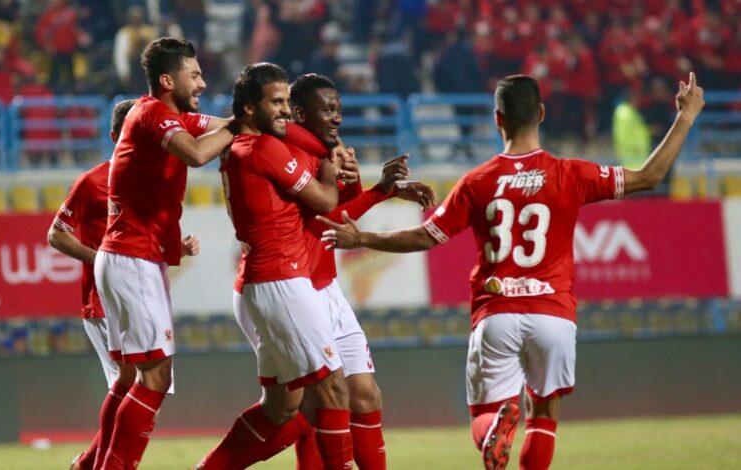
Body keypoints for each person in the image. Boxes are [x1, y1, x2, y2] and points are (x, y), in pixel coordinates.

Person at [319, 73, 705, 470]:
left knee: (483, 417)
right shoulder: (571, 173)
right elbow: (649, 176)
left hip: (498, 311)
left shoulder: (477, 181)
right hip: (554, 315)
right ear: (541, 113)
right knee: (543, 416)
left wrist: (361, 237)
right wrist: (686, 117)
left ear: (497, 119)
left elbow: (425, 237)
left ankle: (493, 431)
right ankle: (511, 435)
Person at [230, 73, 436, 470]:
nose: (337, 117)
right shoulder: (284, 152)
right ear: (299, 113)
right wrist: (379, 191)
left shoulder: (323, 152)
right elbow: (326, 220)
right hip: (291, 285)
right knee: (316, 402)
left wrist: (363, 183)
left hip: (323, 285)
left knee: (364, 396)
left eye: (339, 109)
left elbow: (342, 211)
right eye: (327, 110)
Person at [195, 63, 354, 470]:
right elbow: (325, 201)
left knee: (282, 405)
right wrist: (329, 170)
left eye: (287, 101)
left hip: (260, 281)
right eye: (277, 102)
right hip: (280, 280)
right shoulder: (263, 148)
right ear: (250, 108)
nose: (286, 110)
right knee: (333, 390)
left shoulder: (239, 147)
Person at [94, 37, 236, 470]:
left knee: (134, 377)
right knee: (155, 376)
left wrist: (252, 120)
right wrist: (239, 127)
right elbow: (196, 154)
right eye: (195, 75)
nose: (203, 83)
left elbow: (225, 125)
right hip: (131, 256)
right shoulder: (153, 112)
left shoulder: (173, 115)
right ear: (168, 80)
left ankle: (96, 464)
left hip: (130, 256)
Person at [47, 99, 200, 470]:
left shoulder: (146, 181)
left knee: (138, 386)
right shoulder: (92, 181)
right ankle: (95, 464)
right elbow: (56, 234)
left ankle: (90, 464)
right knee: (141, 386)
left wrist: (175, 248)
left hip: (136, 289)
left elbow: (141, 236)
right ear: (118, 135)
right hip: (104, 298)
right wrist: (103, 257)